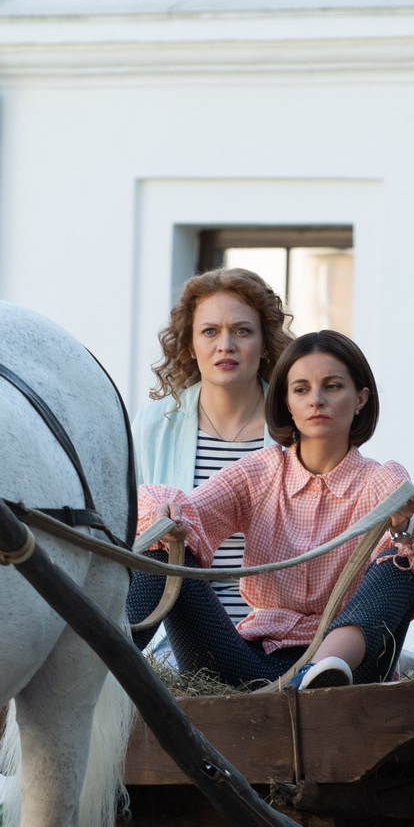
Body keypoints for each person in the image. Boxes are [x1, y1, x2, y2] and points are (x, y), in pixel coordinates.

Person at [136, 330, 414, 690]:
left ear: (360, 399)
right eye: (301, 389)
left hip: (349, 674)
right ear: (287, 402)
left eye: (332, 386)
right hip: (247, 664)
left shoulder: (382, 480)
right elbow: (192, 512)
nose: (316, 400)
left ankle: (319, 669)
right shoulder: (261, 470)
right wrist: (167, 516)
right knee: (167, 540)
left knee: (406, 555)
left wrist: (405, 529)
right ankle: (106, 650)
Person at [126, 268, 293, 637]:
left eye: (242, 330)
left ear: (265, 343)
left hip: (275, 634)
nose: (226, 345)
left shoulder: (295, 426)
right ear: (189, 344)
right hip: (177, 634)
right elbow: (121, 530)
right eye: (210, 331)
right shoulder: (154, 425)